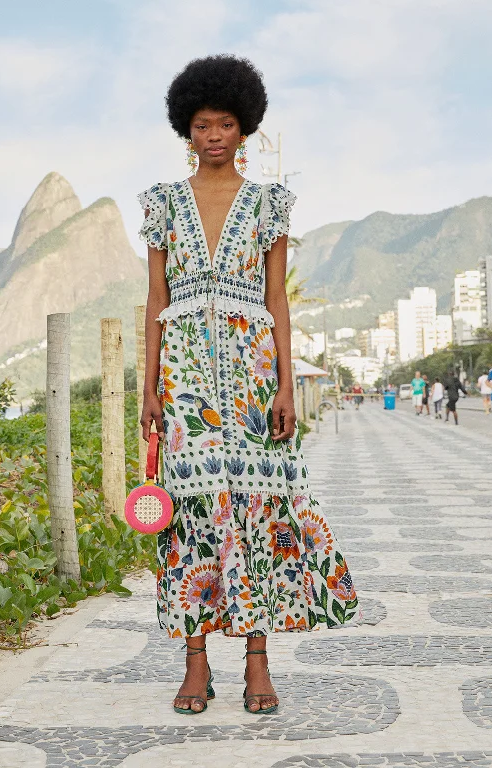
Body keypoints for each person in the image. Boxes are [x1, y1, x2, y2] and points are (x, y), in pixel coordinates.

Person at [139, 55, 361, 716]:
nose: (213, 135)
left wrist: (286, 387)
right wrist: (147, 387)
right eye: (202, 124)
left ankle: (258, 662)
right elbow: (153, 298)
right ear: (187, 128)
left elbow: (276, 300)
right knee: (192, 515)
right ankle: (195, 662)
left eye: (225, 123)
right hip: (182, 378)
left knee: (258, 512)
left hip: (252, 375)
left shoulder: (269, 204)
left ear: (245, 129)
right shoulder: (160, 204)